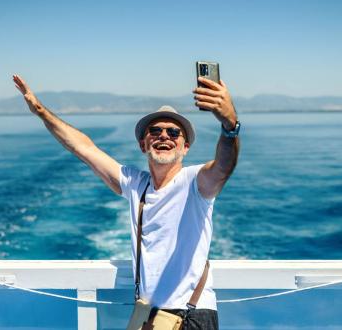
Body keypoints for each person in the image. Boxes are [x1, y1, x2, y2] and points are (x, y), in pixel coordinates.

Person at [13, 74, 240, 329]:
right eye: (155, 131)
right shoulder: (135, 183)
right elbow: (84, 148)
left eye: (173, 132)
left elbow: (223, 166)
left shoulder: (196, 183)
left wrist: (230, 127)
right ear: (143, 145)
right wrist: (41, 111)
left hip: (192, 315)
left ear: (184, 147)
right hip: (149, 316)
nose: (164, 135)